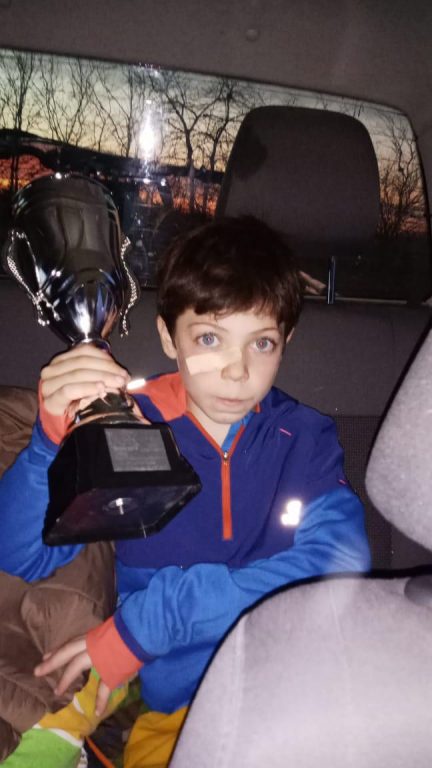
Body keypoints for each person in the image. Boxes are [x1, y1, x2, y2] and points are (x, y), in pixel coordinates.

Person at [0, 216, 371, 768]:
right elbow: (21, 557)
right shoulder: (125, 423)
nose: (237, 371)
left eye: (262, 343)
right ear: (167, 337)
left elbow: (340, 562)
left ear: (286, 342)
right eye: (209, 339)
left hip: (292, 678)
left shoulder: (303, 438)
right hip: (173, 700)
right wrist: (47, 445)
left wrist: (153, 621)